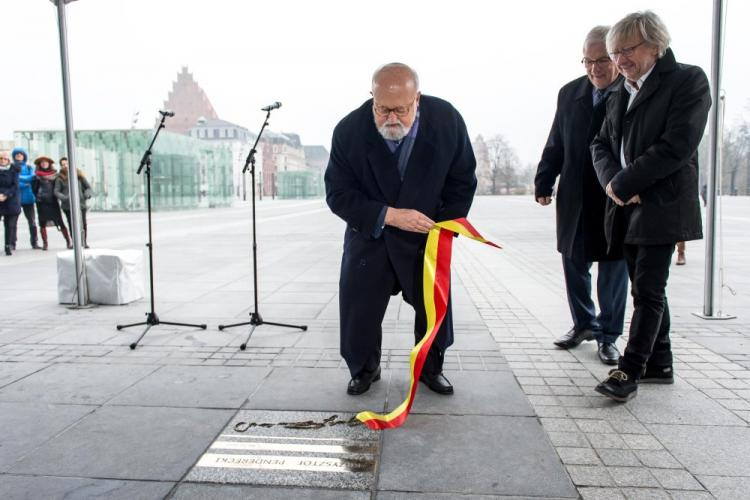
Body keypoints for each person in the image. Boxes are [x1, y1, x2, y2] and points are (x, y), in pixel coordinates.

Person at [325, 63, 477, 396]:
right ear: (372, 99)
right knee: (359, 311)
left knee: (433, 307)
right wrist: (389, 215)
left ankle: (429, 367)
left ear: (417, 100)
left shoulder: (446, 120)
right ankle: (364, 368)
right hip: (371, 235)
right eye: (382, 109)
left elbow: (463, 180)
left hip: (425, 237)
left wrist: (444, 227)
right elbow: (337, 194)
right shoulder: (349, 131)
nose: (391, 118)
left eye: (401, 110)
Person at [591, 11, 710, 401]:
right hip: (625, 205)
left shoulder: (687, 81)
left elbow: (677, 145)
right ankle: (661, 361)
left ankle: (630, 370)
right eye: (615, 52)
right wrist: (614, 184)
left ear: (656, 45)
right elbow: (600, 144)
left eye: (628, 49)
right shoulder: (619, 92)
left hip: (663, 204)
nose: (620, 59)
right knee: (647, 289)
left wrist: (627, 182)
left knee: (648, 291)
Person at [535, 26, 629, 365]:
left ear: (617, 58)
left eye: (603, 59)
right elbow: (556, 140)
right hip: (574, 194)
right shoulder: (569, 93)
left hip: (612, 195)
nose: (595, 68)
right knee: (574, 262)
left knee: (614, 268)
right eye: (588, 61)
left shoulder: (629, 92)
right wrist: (544, 180)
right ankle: (583, 324)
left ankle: (608, 335)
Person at [32, 156, 72, 250]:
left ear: (49, 164)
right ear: (39, 165)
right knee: (42, 223)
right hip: (42, 202)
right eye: (42, 163)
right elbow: (34, 189)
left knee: (60, 222)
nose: (44, 164)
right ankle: (45, 243)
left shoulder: (56, 175)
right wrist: (39, 197)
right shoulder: (37, 176)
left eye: (46, 162)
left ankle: (68, 241)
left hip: (53, 202)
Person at [55, 157, 93, 248]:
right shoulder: (60, 178)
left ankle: (84, 242)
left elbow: (88, 187)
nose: (65, 166)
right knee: (71, 223)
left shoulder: (79, 176)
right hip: (67, 205)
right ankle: (75, 242)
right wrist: (64, 198)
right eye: (63, 165)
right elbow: (56, 191)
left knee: (83, 223)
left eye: (66, 164)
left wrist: (86, 195)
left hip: (80, 204)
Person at [10, 147, 41, 250]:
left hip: (28, 198)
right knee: (12, 223)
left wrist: (18, 179)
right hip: (15, 198)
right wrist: (25, 181)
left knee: (32, 222)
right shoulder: (11, 167)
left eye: (21, 154)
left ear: (24, 155)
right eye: (17, 154)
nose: (19, 155)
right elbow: (13, 180)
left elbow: (32, 178)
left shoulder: (29, 167)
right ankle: (12, 243)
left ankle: (34, 242)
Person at [0, 150, 21, 255]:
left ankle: (8, 245)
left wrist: (6, 195)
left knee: (9, 225)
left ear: (8, 160)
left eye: (5, 159)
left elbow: (15, 185)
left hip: (10, 200)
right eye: (1, 159)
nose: (3, 161)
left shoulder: (14, 170)